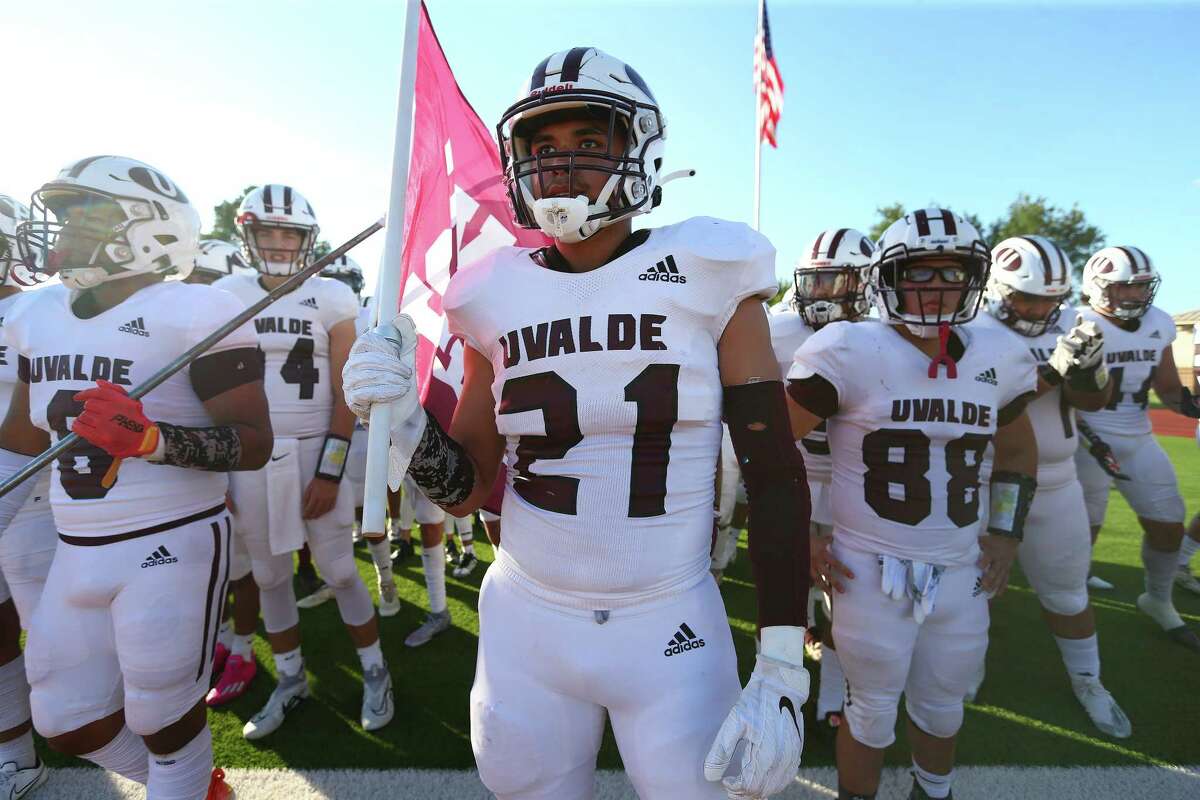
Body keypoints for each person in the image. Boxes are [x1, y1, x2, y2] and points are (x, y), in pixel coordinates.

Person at [343, 47, 811, 800]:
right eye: (542, 147)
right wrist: (402, 420)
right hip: (527, 619)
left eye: (590, 143)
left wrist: (784, 660)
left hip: (668, 619)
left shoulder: (706, 266)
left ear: (641, 149)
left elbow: (775, 473)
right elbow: (465, 489)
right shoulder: (491, 292)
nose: (561, 166)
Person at [3, 155, 274, 800]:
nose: (59, 231)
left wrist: (155, 440)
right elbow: (18, 438)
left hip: (172, 536)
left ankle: (182, 785)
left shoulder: (198, 308)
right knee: (63, 716)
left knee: (162, 712)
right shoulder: (34, 312)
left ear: (145, 228)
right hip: (78, 540)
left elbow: (254, 443)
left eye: (79, 215)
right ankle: (198, 790)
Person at [787, 209, 1039, 800]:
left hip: (959, 565)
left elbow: (1020, 452)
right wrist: (802, 531)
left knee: (945, 705)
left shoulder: (996, 354)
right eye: (920, 275)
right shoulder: (849, 347)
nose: (936, 290)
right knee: (871, 708)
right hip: (868, 566)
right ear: (886, 280)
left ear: (975, 281)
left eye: (952, 276)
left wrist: (1005, 533)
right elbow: (772, 447)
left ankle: (934, 791)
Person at [213, 184, 394, 738]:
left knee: (340, 570)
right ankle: (290, 680)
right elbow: (213, 388)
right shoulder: (225, 293)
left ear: (307, 240)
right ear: (246, 234)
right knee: (268, 576)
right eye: (265, 231)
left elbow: (348, 389)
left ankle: (376, 671)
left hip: (316, 447)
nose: (276, 243)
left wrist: (330, 468)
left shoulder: (333, 296)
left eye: (287, 233)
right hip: (252, 456)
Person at [972, 235, 1130, 737]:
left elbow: (1095, 402)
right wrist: (1051, 370)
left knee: (1067, 593)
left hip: (1058, 481)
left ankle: (1088, 680)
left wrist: (1087, 370)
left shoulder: (1072, 323)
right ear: (997, 289)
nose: (1041, 309)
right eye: (1027, 298)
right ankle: (964, 671)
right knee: (974, 593)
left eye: (1050, 299)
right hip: (981, 478)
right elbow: (991, 402)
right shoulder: (969, 327)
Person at [771, 227, 874, 737]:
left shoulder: (880, 339)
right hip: (787, 475)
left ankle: (834, 687)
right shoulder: (776, 331)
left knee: (843, 594)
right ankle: (782, 686)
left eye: (836, 283)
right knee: (785, 591)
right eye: (814, 283)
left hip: (849, 485)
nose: (821, 296)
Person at [1072, 246, 1200, 651]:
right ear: (1098, 287)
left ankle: (1157, 598)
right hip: (1086, 438)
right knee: (1083, 529)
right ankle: (1072, 594)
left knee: (1168, 525)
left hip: (1138, 435)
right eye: (1123, 287)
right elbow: (1062, 391)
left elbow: (1166, 386)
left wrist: (1190, 405)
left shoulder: (1159, 322)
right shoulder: (1075, 322)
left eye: (1141, 286)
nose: (1134, 295)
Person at [0, 194, 55, 799]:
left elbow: (32, 423)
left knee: (56, 635)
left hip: (35, 489)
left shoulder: (41, 310)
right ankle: (15, 751)